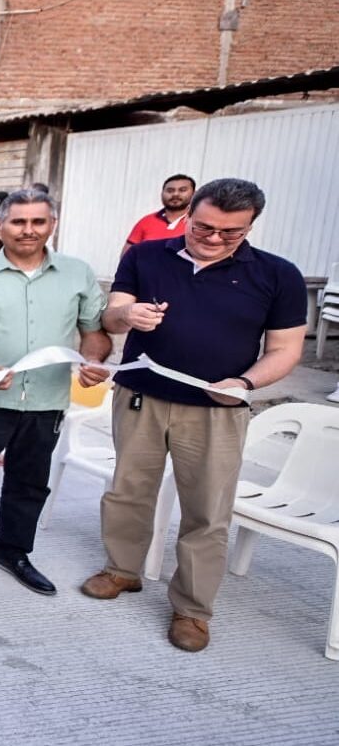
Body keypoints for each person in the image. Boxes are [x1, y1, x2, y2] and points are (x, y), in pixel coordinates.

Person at [81, 178, 305, 653]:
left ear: (250, 227)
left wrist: (245, 384)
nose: (215, 238)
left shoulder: (277, 275)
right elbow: (112, 313)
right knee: (128, 490)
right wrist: (130, 316)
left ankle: (192, 609)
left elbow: (286, 350)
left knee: (207, 509)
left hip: (216, 409)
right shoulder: (146, 256)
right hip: (141, 395)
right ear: (191, 214)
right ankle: (122, 569)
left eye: (231, 232)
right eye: (204, 227)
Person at [0, 188, 112, 596]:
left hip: (46, 400)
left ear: (52, 224)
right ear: (0, 227)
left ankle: (13, 552)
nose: (28, 230)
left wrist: (92, 360)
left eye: (38, 221)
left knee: (29, 483)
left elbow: (95, 332)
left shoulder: (77, 273)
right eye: (18, 221)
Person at [122, 173, 195, 254]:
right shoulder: (146, 221)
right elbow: (127, 255)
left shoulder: (198, 223)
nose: (175, 194)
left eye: (182, 190)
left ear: (194, 194)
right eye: (170, 190)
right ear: (162, 194)